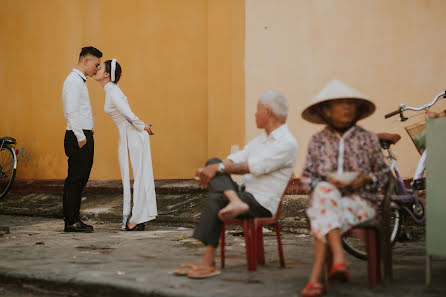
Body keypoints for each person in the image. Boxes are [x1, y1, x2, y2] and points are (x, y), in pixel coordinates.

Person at [174, 90, 298, 279]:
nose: (255, 115)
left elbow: (254, 167)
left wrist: (217, 169)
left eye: (257, 110)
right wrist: (215, 167)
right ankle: (233, 201)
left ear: (268, 111)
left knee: (216, 190)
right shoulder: (259, 141)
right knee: (214, 162)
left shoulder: (287, 143)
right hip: (241, 195)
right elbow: (235, 158)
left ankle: (208, 261)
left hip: (261, 203)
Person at [299, 80, 390, 297]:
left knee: (320, 208)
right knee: (323, 190)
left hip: (361, 204)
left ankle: (318, 278)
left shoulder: (367, 139)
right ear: (326, 110)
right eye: (340, 103)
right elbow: (306, 178)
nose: (347, 107)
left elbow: (385, 175)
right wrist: (326, 184)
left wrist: (365, 180)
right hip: (329, 201)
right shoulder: (317, 141)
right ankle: (336, 258)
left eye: (351, 103)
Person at [94, 58, 157, 231]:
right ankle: (136, 218)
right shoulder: (111, 90)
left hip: (134, 137)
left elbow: (128, 115)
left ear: (107, 74)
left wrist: (143, 126)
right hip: (128, 136)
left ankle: (137, 219)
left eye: (100, 68)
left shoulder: (113, 92)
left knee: (139, 177)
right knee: (136, 177)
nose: (97, 70)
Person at [62, 46, 102, 233]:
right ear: (86, 61)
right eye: (96, 64)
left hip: (82, 135)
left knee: (79, 180)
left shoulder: (78, 81)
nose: (97, 68)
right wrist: (80, 137)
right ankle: (71, 221)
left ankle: (73, 219)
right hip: (79, 136)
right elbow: (70, 110)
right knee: (75, 180)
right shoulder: (73, 82)